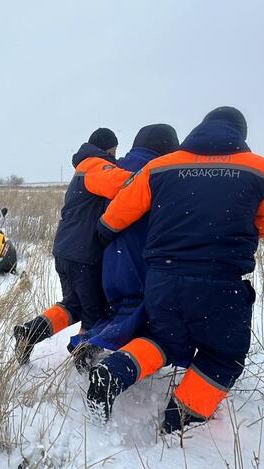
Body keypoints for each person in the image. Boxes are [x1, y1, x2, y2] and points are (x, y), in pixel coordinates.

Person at [89, 107, 264, 433]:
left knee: (163, 339)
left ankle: (115, 370)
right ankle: (178, 417)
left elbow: (116, 215)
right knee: (224, 355)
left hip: (163, 279)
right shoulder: (263, 170)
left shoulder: (160, 166)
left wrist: (104, 233)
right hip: (219, 283)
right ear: (241, 135)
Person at [67, 124, 179, 372]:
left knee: (114, 310)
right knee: (146, 318)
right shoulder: (159, 172)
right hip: (140, 257)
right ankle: (118, 369)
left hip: (108, 259)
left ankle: (89, 343)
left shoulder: (113, 167)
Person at [13, 128, 123, 364]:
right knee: (94, 311)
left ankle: (29, 332)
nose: (115, 156)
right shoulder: (96, 165)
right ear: (108, 148)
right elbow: (123, 184)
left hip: (66, 251)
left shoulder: (83, 167)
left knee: (74, 304)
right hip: (84, 255)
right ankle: (84, 361)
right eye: (114, 151)